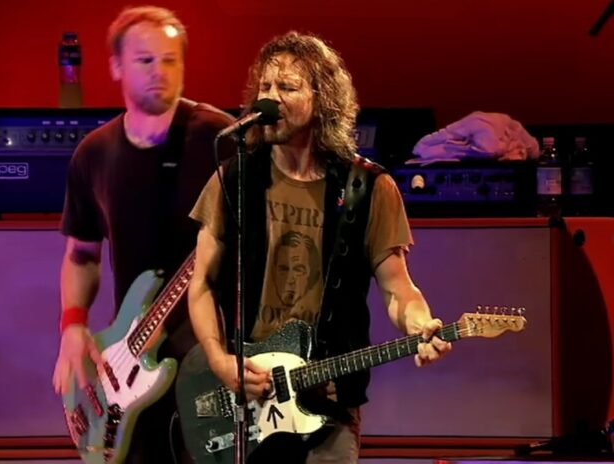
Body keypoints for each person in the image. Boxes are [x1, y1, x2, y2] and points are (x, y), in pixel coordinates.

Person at [187, 31, 452, 463]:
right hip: (248, 398)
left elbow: (397, 288)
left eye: (287, 87)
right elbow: (200, 284)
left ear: (323, 99)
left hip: (327, 399)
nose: (270, 98)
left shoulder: (368, 188)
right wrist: (220, 361)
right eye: (265, 86)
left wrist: (420, 324)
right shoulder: (233, 179)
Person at [51, 5, 235, 463]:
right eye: (145, 60)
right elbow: (82, 255)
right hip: (130, 358)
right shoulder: (93, 154)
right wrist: (73, 326)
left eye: (170, 60)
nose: (159, 71)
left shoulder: (222, 140)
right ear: (116, 66)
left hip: (211, 353)